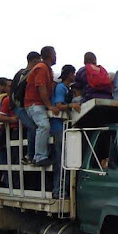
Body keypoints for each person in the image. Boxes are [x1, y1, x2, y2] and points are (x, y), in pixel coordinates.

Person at [50, 65, 80, 199]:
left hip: (62, 127)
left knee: (65, 159)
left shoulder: (65, 88)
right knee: (61, 160)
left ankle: (62, 189)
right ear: (69, 74)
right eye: (73, 73)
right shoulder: (61, 88)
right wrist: (71, 105)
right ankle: (58, 191)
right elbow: (58, 106)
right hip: (58, 127)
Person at [24, 46, 58, 166]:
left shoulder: (46, 69)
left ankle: (36, 156)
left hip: (36, 103)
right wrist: (49, 106)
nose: (56, 56)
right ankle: (39, 157)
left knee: (42, 127)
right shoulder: (42, 68)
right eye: (54, 54)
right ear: (50, 55)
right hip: (34, 103)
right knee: (43, 126)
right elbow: (41, 87)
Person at [11, 51, 41, 164]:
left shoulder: (21, 73)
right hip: (20, 106)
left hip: (23, 105)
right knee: (33, 127)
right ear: (35, 60)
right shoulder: (26, 73)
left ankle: (31, 154)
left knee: (35, 126)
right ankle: (30, 155)